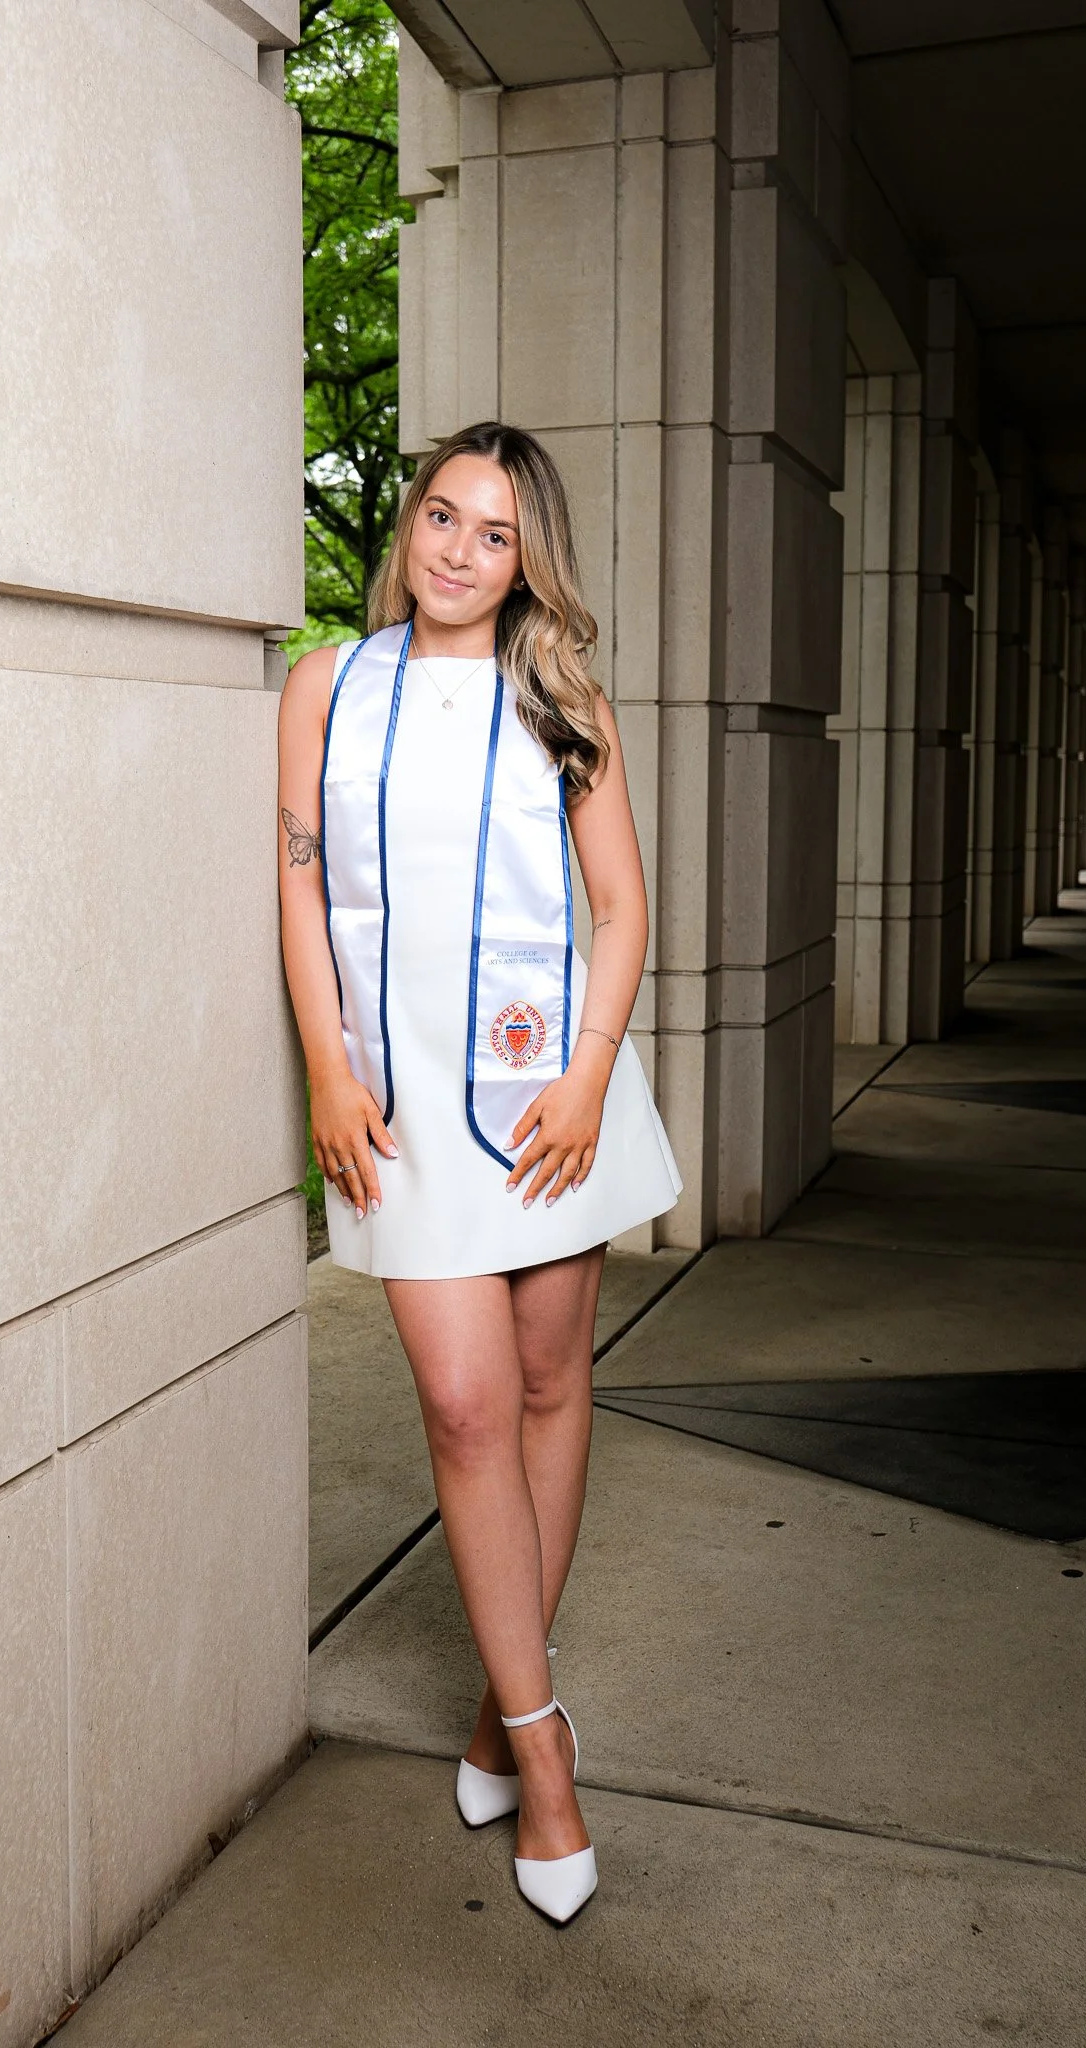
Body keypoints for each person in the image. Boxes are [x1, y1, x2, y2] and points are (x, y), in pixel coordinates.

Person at [278, 421, 681, 1923]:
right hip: (399, 1109)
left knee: (549, 1380)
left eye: (493, 533)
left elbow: (622, 906)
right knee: (463, 1406)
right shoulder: (330, 683)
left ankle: (502, 1696)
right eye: (440, 516)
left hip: (543, 1093)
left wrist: (586, 1074)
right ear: (411, 527)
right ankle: (545, 1748)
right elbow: (302, 881)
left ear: (530, 562)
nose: (455, 551)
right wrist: (324, 1064)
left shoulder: (560, 690)